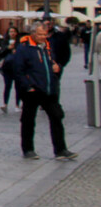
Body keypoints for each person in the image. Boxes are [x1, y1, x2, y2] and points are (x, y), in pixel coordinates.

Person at [5, 20, 78, 161]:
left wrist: (57, 68)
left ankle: (61, 149)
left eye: (44, 34)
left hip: (48, 89)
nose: (43, 37)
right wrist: (28, 86)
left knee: (56, 116)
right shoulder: (24, 48)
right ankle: (28, 149)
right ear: (33, 33)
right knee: (28, 120)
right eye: (40, 34)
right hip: (32, 90)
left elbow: (52, 63)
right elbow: (18, 70)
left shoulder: (47, 47)